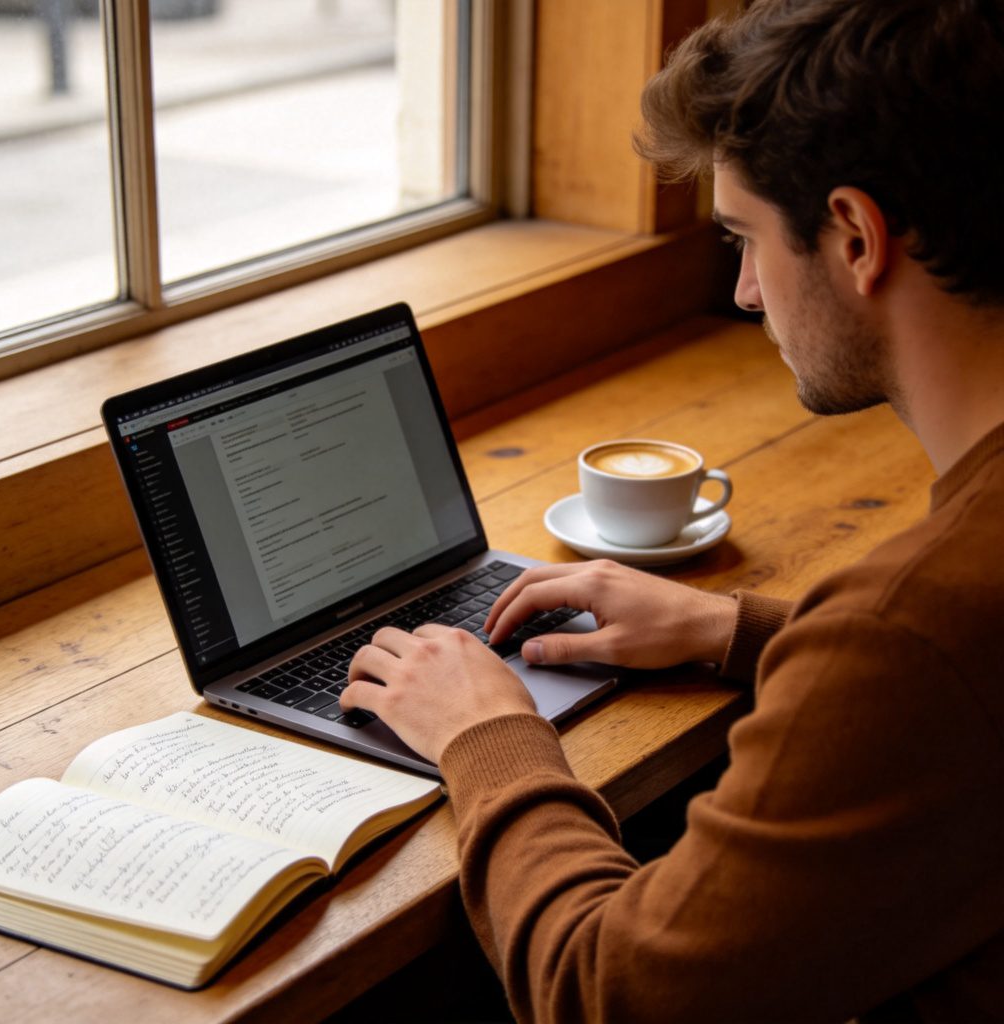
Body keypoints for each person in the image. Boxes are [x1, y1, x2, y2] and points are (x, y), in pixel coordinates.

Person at [342, 0, 1004, 1019]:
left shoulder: (910, 633)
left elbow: (605, 990)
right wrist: (730, 626)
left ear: (855, 236)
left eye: (742, 238)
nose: (743, 293)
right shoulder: (935, 619)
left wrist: (487, 734)